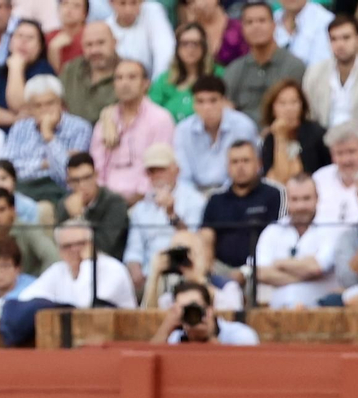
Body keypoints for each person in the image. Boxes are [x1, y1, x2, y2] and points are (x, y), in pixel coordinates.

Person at [91, 59, 175, 203]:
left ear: (146, 84)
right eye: (119, 78)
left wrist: (132, 200)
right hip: (106, 201)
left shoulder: (160, 119)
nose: (124, 83)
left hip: (147, 199)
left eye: (132, 77)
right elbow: (97, 165)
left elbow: (159, 168)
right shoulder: (106, 120)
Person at [124, 142, 206, 288]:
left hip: (184, 271)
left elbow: (194, 242)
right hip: (149, 275)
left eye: (161, 170)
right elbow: (133, 251)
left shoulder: (194, 200)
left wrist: (171, 213)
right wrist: (136, 274)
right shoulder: (141, 208)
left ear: (176, 170)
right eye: (151, 171)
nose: (157, 176)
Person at [15, 218, 137, 314]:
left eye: (81, 244)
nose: (75, 250)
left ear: (92, 244)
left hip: (118, 337)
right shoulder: (58, 270)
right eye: (67, 246)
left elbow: (85, 306)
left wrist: (87, 262)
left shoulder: (113, 269)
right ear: (60, 251)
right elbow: (26, 298)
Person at [1, 74, 90, 202]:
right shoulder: (20, 128)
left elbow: (67, 175)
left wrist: (48, 135)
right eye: (38, 105)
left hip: (57, 191)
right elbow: (8, 169)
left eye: (50, 103)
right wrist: (45, 164)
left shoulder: (79, 128)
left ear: (60, 102)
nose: (45, 110)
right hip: (21, 188)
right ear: (29, 108)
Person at [199, 140, 281, 276]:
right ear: (227, 166)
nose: (240, 167)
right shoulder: (216, 199)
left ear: (259, 164)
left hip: (262, 269)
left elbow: (279, 238)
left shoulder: (274, 195)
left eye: (246, 161)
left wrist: (247, 272)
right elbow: (206, 239)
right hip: (221, 269)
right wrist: (206, 272)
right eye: (235, 162)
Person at [253, 173, 336, 307]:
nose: (300, 206)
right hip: (276, 312)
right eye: (295, 199)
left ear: (317, 199)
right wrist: (306, 273)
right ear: (287, 200)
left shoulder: (331, 228)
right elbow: (259, 272)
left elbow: (317, 267)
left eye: (306, 199)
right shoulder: (273, 230)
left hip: (319, 312)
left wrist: (279, 263)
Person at [172, 74, 260, 194]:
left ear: (224, 101)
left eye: (213, 100)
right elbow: (183, 175)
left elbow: (252, 169)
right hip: (194, 195)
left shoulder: (243, 126)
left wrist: (219, 198)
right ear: (193, 104)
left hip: (235, 193)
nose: (207, 107)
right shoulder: (183, 130)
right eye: (200, 101)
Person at [224, 1, 306, 124]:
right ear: (242, 29)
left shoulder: (294, 66)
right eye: (249, 22)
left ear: (274, 25)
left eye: (262, 20)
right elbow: (226, 107)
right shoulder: (235, 69)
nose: (256, 26)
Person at [303, 16, 358, 133]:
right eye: (333, 39)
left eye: (346, 38)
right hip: (320, 142)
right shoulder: (314, 72)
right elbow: (309, 116)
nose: (340, 44)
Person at [149, 280, 260, 345]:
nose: (191, 313)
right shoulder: (176, 337)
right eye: (185, 309)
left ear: (210, 309)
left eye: (195, 307)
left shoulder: (240, 334)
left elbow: (240, 368)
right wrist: (166, 327)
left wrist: (209, 337)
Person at [0, 19, 54, 127]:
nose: (23, 42)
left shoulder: (44, 72)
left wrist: (16, 68)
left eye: (30, 38)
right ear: (10, 43)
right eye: (19, 36)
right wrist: (14, 119)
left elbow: (19, 106)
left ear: (40, 47)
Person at [258, 78, 325, 184]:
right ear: (272, 109)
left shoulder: (315, 134)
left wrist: (281, 136)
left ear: (302, 106)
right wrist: (280, 137)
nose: (289, 109)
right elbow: (276, 181)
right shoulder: (270, 139)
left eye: (294, 102)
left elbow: (297, 177)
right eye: (282, 103)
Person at [150, 22, 219, 124]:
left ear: (204, 47)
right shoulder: (164, 80)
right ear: (177, 48)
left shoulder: (218, 75)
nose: (190, 49)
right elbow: (151, 113)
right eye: (184, 44)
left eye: (196, 43)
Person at [60, 22, 121, 126]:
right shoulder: (71, 70)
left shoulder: (129, 73)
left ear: (114, 43)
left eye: (101, 43)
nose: (94, 50)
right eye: (89, 45)